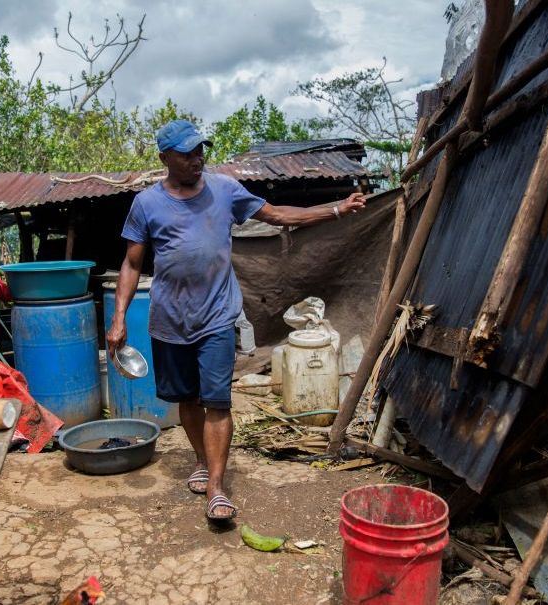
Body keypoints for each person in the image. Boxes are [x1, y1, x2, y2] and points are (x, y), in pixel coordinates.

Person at [106, 119, 366, 523]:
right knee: (186, 400)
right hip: (169, 320)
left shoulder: (225, 190)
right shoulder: (147, 204)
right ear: (164, 158)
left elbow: (278, 214)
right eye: (187, 153)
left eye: (200, 151)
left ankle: (217, 486)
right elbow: (132, 263)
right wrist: (118, 317)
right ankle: (200, 459)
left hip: (217, 316)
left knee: (217, 401)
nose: (198, 159)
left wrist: (336, 209)